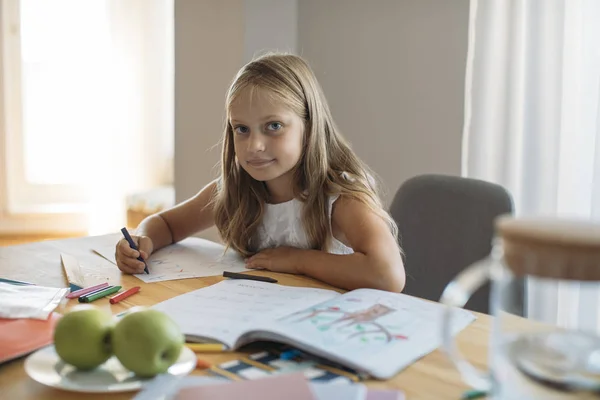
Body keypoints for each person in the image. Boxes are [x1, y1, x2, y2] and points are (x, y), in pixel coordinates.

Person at [116, 53, 405, 292]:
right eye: (242, 129)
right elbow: (167, 224)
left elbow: (387, 275)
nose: (254, 145)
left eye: (274, 126)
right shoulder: (233, 189)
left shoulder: (339, 196)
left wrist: (297, 260)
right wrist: (143, 241)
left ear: (310, 125)